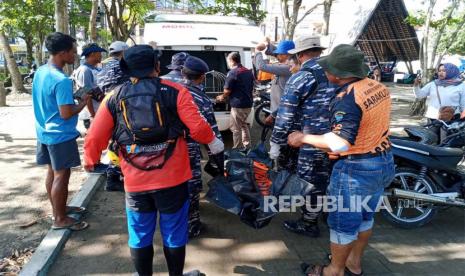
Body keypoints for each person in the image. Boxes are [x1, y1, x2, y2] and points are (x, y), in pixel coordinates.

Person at [84, 45, 223, 276]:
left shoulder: (114, 96)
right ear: (157, 67)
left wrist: (90, 161)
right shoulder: (176, 91)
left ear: (126, 68)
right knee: (174, 231)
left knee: (139, 233)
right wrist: (214, 143)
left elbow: (94, 137)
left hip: (136, 182)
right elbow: (199, 129)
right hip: (173, 179)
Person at [288, 44, 395, 276]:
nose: (325, 72)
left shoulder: (347, 98)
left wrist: (301, 137)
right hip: (383, 161)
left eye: (328, 69)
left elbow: (340, 142)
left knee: (342, 223)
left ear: (339, 75)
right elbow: (368, 126)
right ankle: (354, 264)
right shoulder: (378, 87)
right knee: (365, 216)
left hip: (357, 171)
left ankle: (333, 271)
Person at [270, 35, 335, 237]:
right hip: (337, 138)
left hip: (309, 139)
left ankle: (309, 223)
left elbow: (286, 114)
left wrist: (276, 143)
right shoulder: (337, 73)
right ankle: (328, 214)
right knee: (327, 179)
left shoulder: (301, 77)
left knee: (310, 183)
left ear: (299, 54)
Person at [32, 32, 90, 231]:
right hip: (60, 134)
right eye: (73, 52)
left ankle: (59, 209)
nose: (75, 56)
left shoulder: (41, 71)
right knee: (61, 176)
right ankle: (60, 219)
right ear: (63, 53)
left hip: (44, 131)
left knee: (53, 172)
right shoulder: (61, 79)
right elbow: (66, 113)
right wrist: (83, 102)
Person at [181, 56, 223, 238]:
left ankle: (178, 220)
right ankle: (192, 225)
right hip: (189, 148)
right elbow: (210, 129)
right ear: (202, 77)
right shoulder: (199, 97)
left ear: (183, 73)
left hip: (168, 149)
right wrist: (218, 155)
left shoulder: (175, 91)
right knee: (191, 186)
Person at [97, 41, 130, 192]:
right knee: (123, 143)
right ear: (123, 52)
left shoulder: (102, 68)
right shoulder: (122, 67)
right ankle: (115, 176)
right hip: (122, 110)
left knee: (115, 141)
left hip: (107, 108)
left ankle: (114, 176)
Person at [216, 52, 255, 149]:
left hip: (238, 106)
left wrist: (221, 97)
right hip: (248, 104)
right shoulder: (248, 71)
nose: (228, 63)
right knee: (243, 125)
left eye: (228, 61)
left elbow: (227, 90)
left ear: (232, 61)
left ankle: (237, 149)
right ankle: (247, 146)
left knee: (235, 129)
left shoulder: (233, 73)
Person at [254, 40, 295, 125]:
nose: (277, 56)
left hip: (281, 113)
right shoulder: (286, 64)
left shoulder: (287, 67)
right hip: (279, 111)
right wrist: (267, 45)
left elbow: (261, 66)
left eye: (280, 54)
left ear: (287, 55)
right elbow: (275, 52)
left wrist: (258, 51)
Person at [413, 63, 465, 130]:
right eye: (439, 71)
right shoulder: (433, 84)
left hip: (452, 119)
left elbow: (463, 105)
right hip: (433, 118)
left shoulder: (461, 86)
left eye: (444, 71)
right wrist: (416, 86)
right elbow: (419, 95)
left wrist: (462, 120)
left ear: (452, 71)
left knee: (446, 139)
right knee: (432, 139)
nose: (441, 73)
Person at [73, 42, 107, 129]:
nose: (101, 55)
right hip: (92, 114)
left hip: (99, 111)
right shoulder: (85, 70)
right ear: (93, 54)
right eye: (99, 53)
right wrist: (93, 115)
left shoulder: (95, 69)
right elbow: (86, 94)